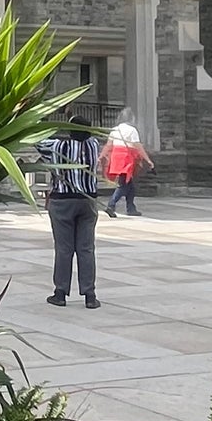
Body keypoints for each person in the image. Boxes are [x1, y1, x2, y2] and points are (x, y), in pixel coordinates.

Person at [38, 122, 103, 309]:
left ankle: (60, 293)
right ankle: (89, 295)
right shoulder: (93, 145)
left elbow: (37, 140)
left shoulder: (57, 146)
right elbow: (82, 137)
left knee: (64, 249)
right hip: (87, 201)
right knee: (86, 249)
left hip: (62, 201)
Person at [102, 107, 154, 219]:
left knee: (130, 186)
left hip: (116, 157)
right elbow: (138, 146)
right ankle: (111, 205)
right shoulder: (132, 130)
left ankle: (131, 208)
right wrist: (148, 160)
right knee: (123, 184)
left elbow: (109, 145)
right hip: (126, 158)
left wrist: (101, 156)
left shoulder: (115, 130)